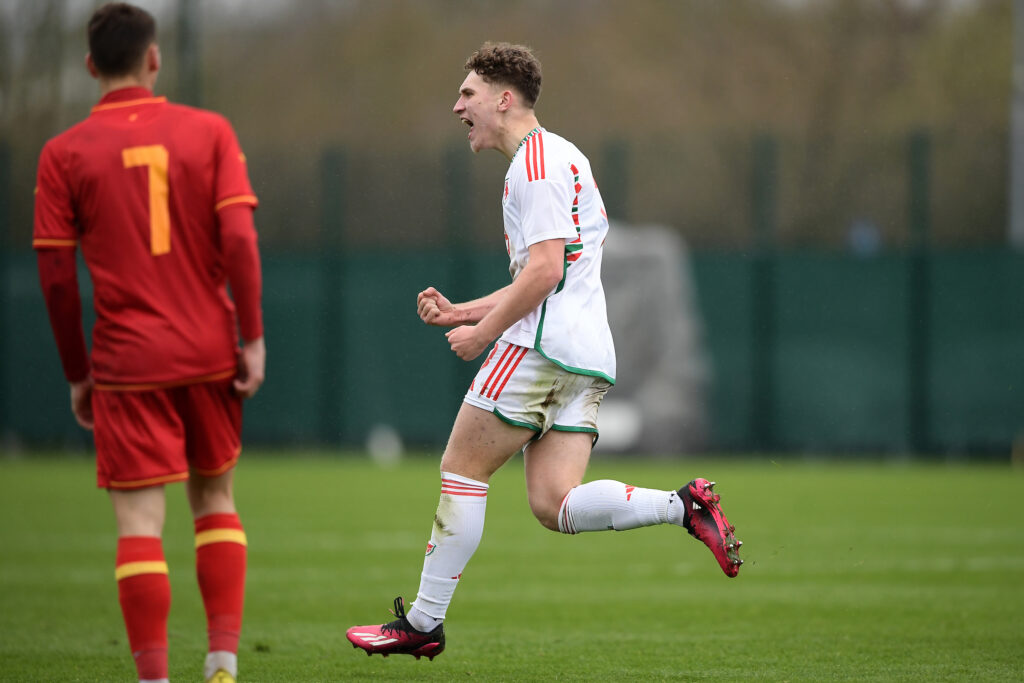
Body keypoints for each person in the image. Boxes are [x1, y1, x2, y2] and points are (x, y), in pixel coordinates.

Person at [346, 42, 742, 661]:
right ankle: (683, 506)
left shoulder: (534, 164)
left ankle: (423, 622)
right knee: (554, 504)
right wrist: (463, 311)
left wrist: (482, 335)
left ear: (504, 99)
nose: (458, 107)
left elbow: (544, 274)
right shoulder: (561, 158)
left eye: (468, 94)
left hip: (541, 345)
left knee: (461, 469)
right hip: (586, 356)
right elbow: (548, 273)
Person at [33, 4, 263, 682]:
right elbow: (241, 241)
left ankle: (154, 677)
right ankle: (221, 661)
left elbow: (53, 277)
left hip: (126, 363)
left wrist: (79, 371)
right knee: (215, 501)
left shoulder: (63, 153)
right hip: (207, 351)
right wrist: (251, 337)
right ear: (154, 59)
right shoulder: (210, 131)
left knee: (138, 521)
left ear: (89, 67)